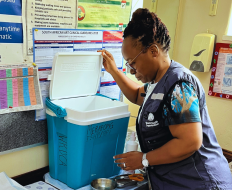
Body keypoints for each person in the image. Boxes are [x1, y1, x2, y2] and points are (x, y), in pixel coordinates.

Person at [98, 8, 232, 190]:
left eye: (133, 63)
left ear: (153, 51)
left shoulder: (179, 85)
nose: (132, 70)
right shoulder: (158, 80)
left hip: (200, 182)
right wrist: (113, 70)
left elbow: (190, 141)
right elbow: (138, 95)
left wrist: (143, 159)